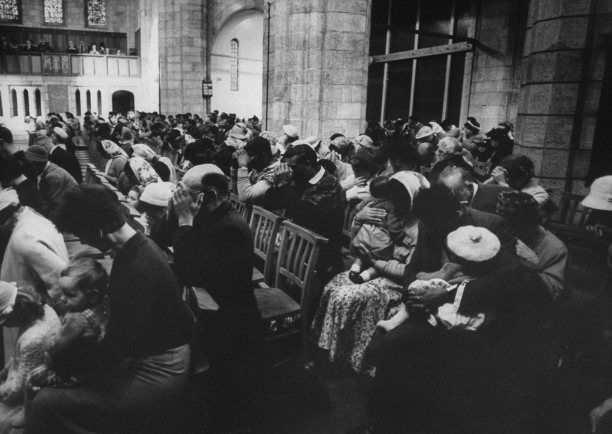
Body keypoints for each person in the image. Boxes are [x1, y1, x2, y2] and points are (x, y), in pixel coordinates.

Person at [28, 184, 194, 433]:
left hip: (160, 371)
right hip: (149, 355)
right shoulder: (134, 247)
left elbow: (114, 351)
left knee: (45, 402)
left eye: (82, 233)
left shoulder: (137, 267)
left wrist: (60, 367)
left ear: (98, 228)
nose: (83, 240)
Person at [171, 168, 265, 431]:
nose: (179, 199)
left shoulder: (230, 229)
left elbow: (188, 269)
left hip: (232, 326)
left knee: (228, 403)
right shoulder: (210, 213)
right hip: (215, 313)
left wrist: (184, 222)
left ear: (209, 195)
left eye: (185, 194)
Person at [311, 171, 428, 373]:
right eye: (394, 196)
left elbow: (409, 271)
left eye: (402, 197)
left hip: (395, 283)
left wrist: (375, 261)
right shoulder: (390, 212)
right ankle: (329, 352)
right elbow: (356, 243)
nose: (395, 202)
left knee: (344, 296)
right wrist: (358, 219)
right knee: (334, 285)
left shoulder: (420, 228)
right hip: (374, 268)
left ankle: (346, 361)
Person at [28, 258, 109, 390]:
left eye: (70, 295)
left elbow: (53, 352)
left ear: (92, 296)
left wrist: (49, 344)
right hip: (93, 369)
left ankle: (31, 409)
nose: (62, 298)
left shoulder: (77, 320)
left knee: (32, 377)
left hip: (76, 376)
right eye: (62, 292)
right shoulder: (102, 304)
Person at [274, 144, 346, 283]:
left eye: (293, 167)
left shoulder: (329, 184)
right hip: (301, 242)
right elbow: (274, 203)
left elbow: (302, 213)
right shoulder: (300, 176)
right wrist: (279, 184)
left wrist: (283, 184)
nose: (290, 171)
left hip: (322, 251)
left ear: (308, 165)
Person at [0, 282, 61, 433]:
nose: (5, 326)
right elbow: (18, 358)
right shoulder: (44, 309)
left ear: (14, 312)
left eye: (4, 321)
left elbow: (17, 391)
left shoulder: (32, 339)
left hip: (28, 397)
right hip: (22, 374)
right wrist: (6, 369)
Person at [496, 191, 567, 300]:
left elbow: (553, 292)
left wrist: (532, 262)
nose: (511, 233)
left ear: (533, 223)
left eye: (517, 228)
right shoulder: (499, 231)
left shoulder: (555, 248)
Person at [24, 145, 77, 217]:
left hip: (70, 212)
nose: (28, 169)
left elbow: (53, 205)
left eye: (29, 166)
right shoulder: (49, 170)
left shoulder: (53, 176)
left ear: (35, 164)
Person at [438, 165, 511, 214]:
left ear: (468, 185)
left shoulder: (499, 194)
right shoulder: (460, 199)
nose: (452, 196)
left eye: (457, 191)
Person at [484, 154, 550, 206]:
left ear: (523, 177)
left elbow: (522, 209)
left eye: (509, 177)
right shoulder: (506, 182)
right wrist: (491, 179)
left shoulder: (539, 193)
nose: (507, 179)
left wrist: (503, 184)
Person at [234, 136, 279, 207]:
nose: (248, 161)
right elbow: (238, 193)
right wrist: (235, 167)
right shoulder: (257, 168)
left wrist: (243, 166)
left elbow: (245, 197)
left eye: (251, 157)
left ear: (263, 156)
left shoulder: (274, 172)